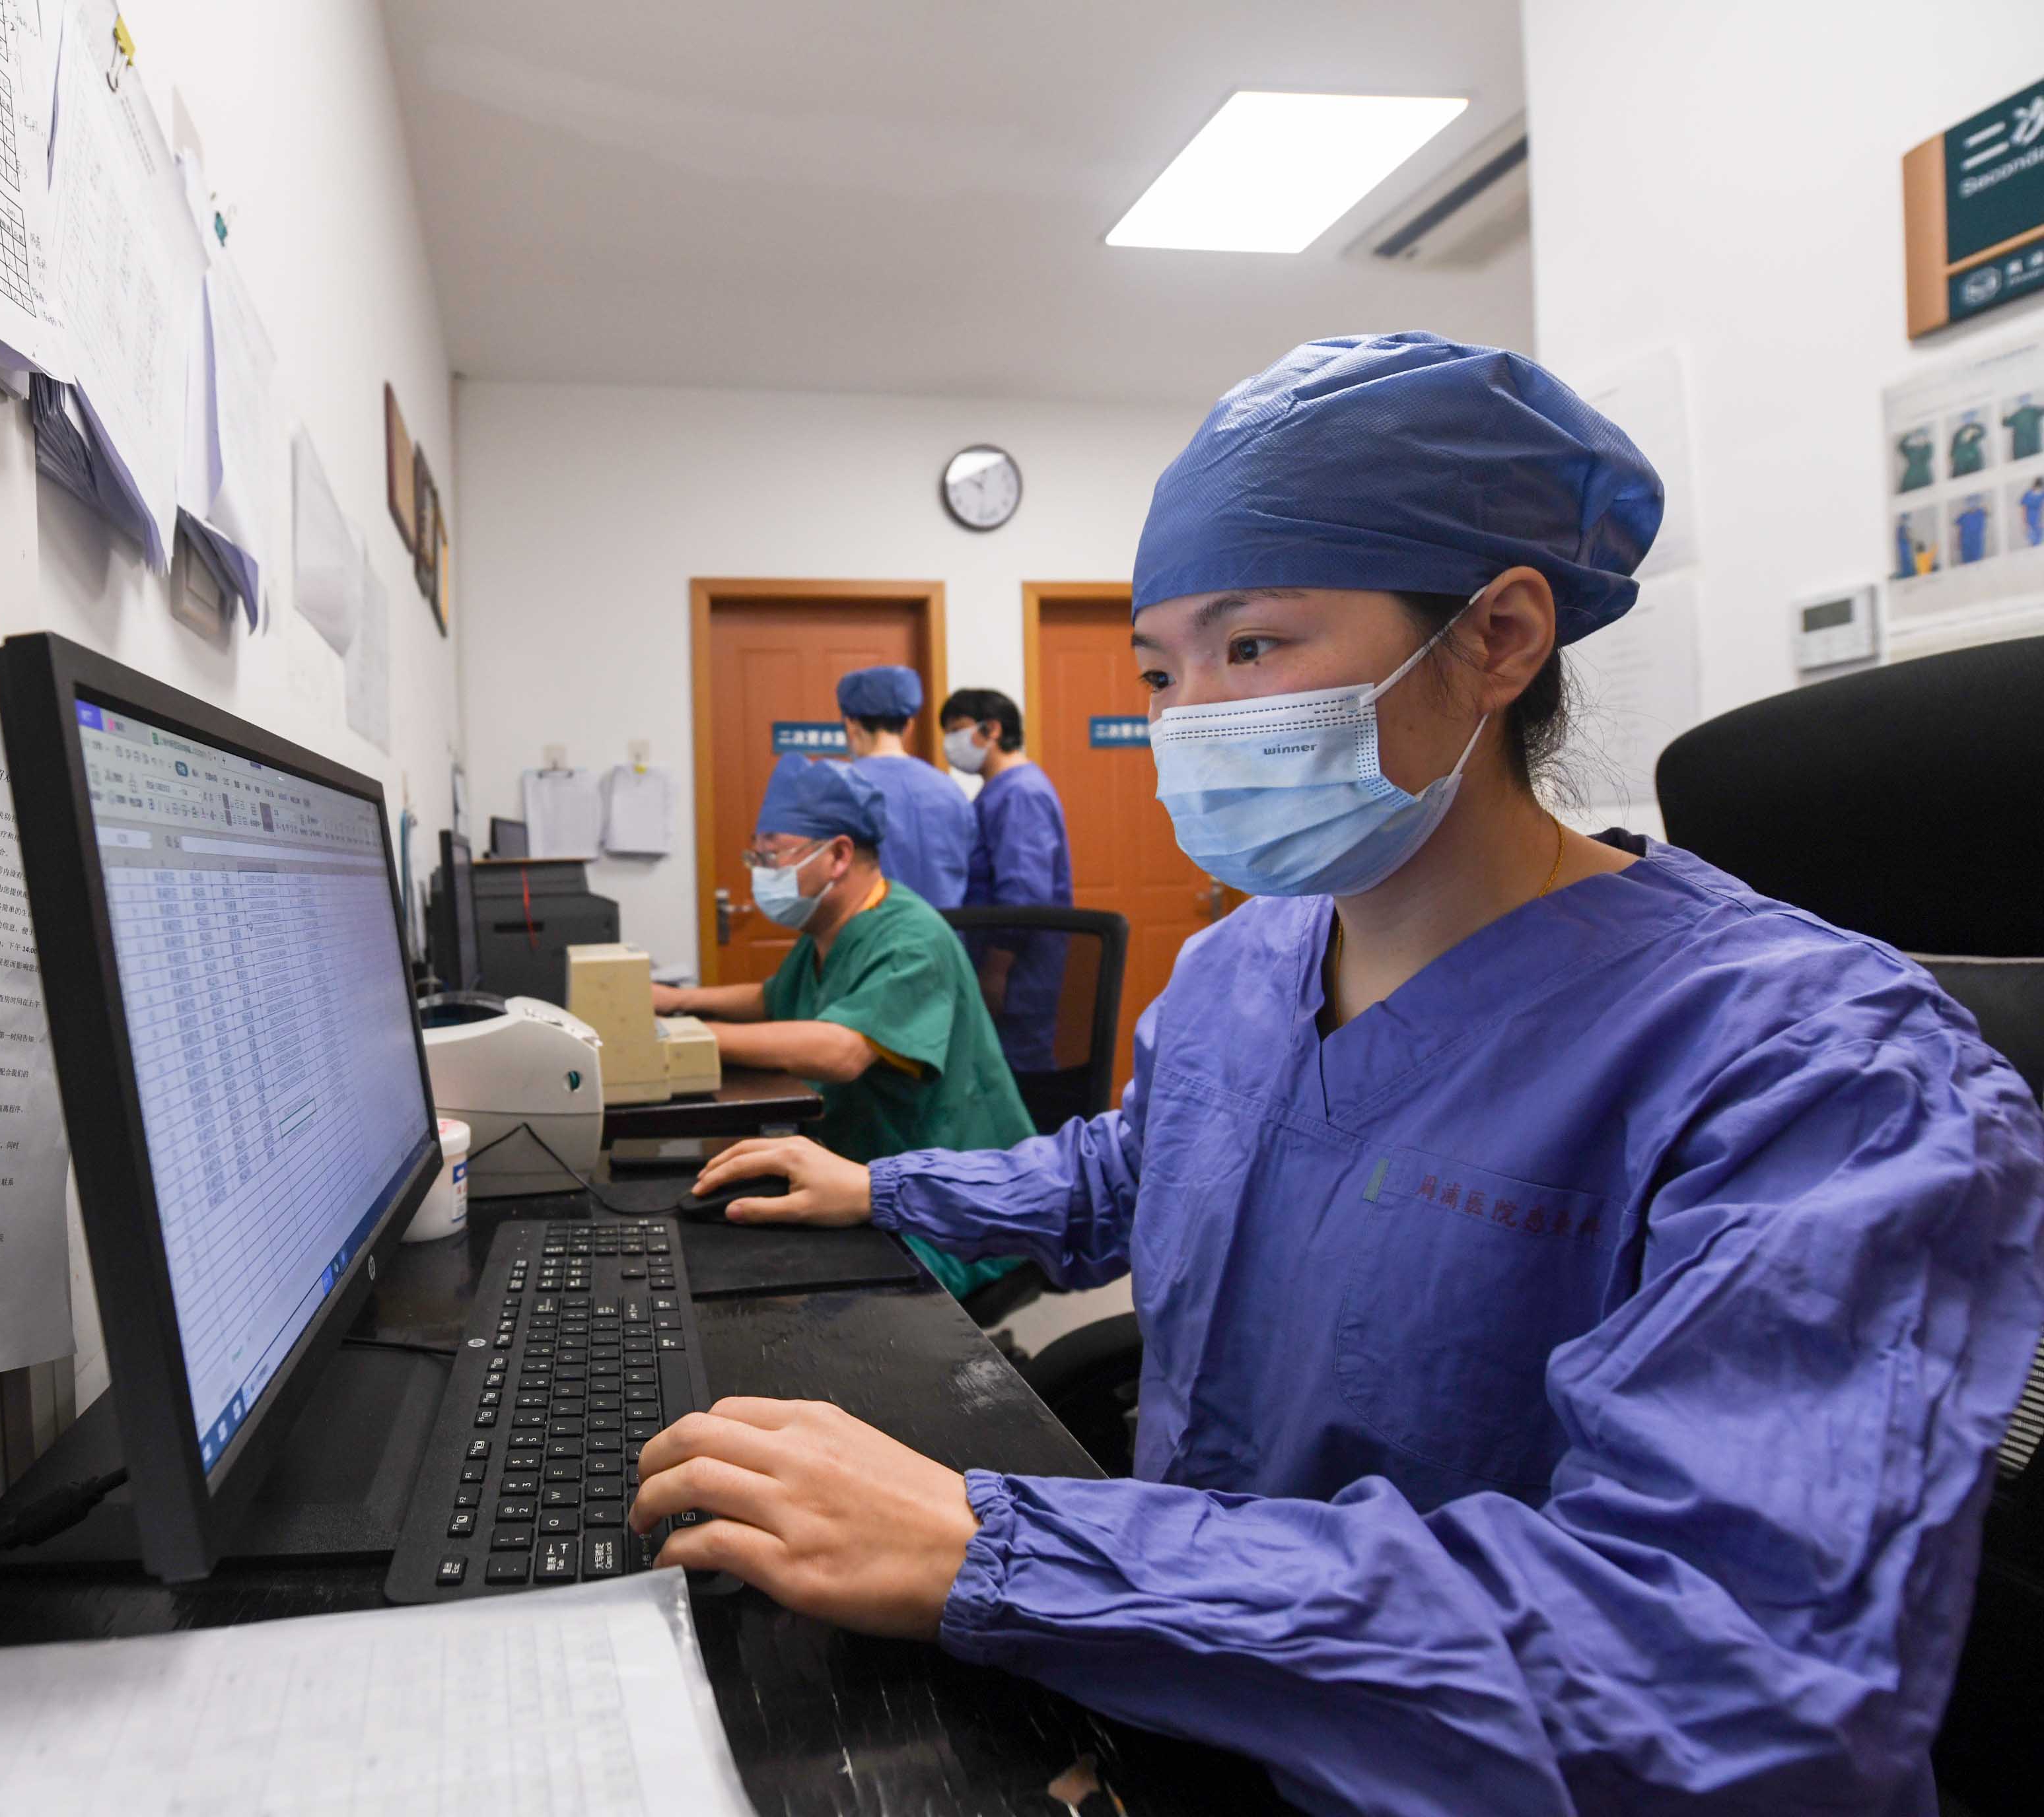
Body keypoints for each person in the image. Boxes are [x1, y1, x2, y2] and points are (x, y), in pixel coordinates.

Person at [634, 333, 2044, 1815]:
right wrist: (883, 1185)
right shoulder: (1239, 967)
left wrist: (1009, 1553)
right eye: (1161, 669)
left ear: (1499, 636)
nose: (1192, 716)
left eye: (1252, 648)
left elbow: (1716, 1659)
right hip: (1194, 1698)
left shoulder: (1816, 1070)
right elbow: (1140, 1163)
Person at [652, 755, 1029, 1300]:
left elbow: (841, 1051)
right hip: (864, 1173)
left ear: (838, 856)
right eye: (756, 855)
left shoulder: (912, 939)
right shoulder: (832, 931)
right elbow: (776, 997)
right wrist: (676, 1001)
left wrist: (680, 1038)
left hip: (950, 1206)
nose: (761, 871)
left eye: (772, 854)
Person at [938, 687, 1075, 1072]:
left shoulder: (1020, 793)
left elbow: (1025, 894)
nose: (951, 743)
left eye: (958, 730)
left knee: (1020, 1078)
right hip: (1004, 966)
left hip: (1017, 974)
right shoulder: (1000, 791)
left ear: (992, 729)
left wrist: (996, 970)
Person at [833, 665, 973, 911]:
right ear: (909, 725)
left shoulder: (839, 788)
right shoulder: (950, 790)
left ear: (851, 724)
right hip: (943, 932)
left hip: (871, 931)